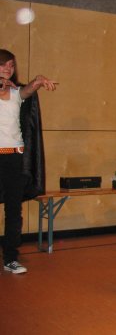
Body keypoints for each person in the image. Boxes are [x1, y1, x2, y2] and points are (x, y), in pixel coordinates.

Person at [0, 49, 57, 274]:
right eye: (3, 64)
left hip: (14, 157)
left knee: (14, 210)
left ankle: (10, 258)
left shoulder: (16, 93)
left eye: (11, 65)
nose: (8, 68)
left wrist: (38, 80)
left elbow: (27, 91)